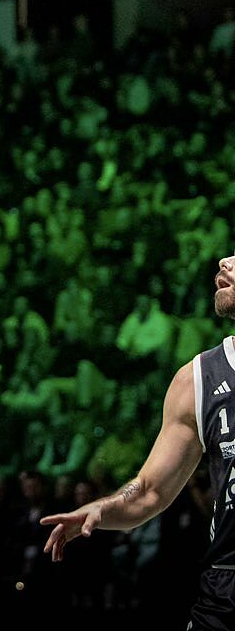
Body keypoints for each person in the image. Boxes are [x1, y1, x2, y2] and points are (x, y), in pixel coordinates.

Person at [41, 253, 235, 629]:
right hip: (227, 584)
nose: (225, 261)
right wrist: (105, 507)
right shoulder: (197, 379)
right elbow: (150, 491)